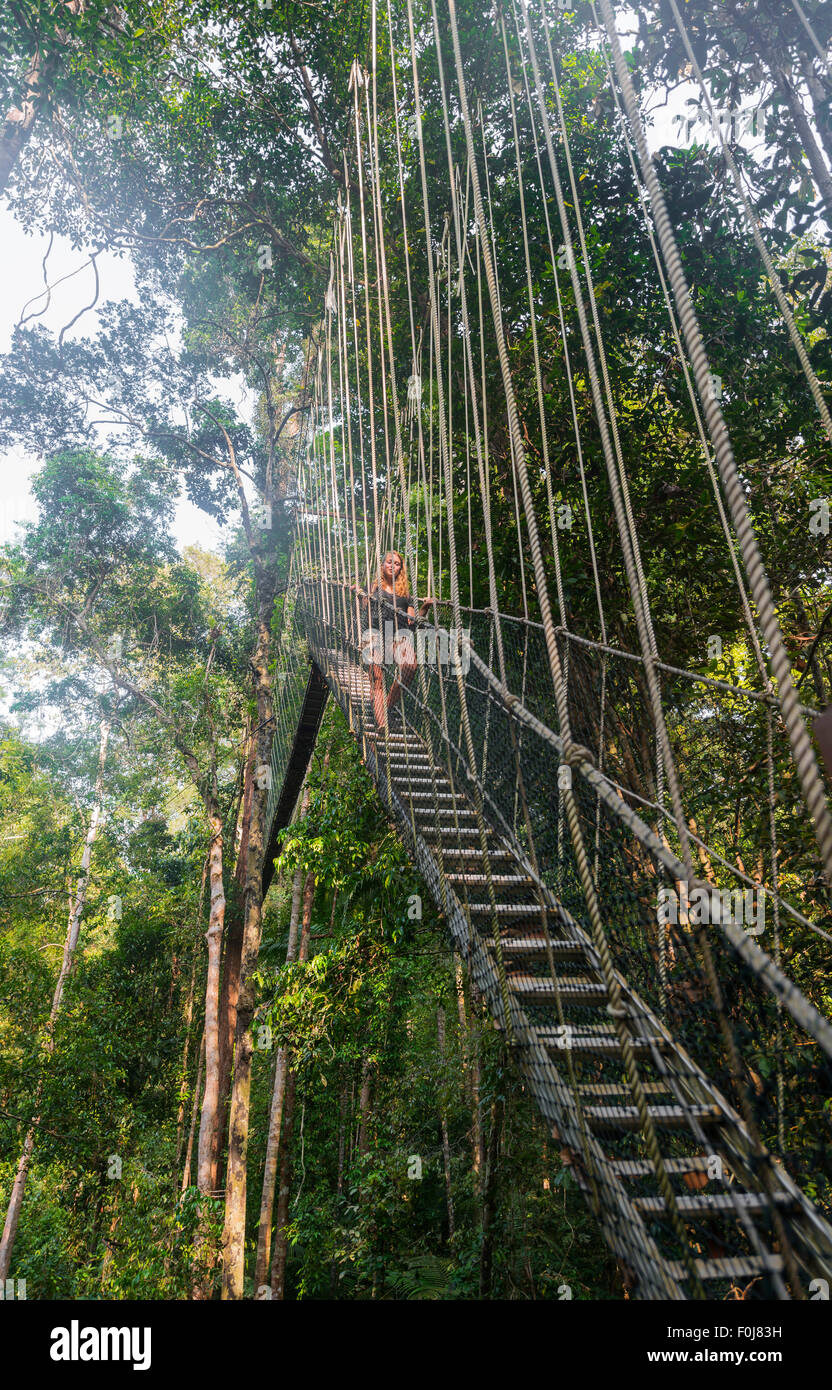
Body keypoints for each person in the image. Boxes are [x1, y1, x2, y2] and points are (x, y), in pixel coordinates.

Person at [354, 551, 433, 732]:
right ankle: (382, 723)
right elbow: (364, 609)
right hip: (374, 636)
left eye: (397, 564)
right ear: (382, 565)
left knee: (410, 666)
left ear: (401, 569)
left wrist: (425, 607)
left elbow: (413, 623)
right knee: (378, 680)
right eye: (389, 562)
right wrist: (360, 595)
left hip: (398, 636)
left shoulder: (406, 595)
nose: (392, 566)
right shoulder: (372, 588)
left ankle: (387, 706)